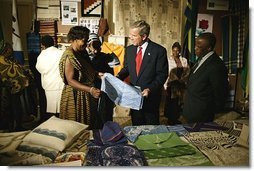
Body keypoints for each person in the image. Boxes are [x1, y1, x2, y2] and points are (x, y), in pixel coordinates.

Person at [117, 20, 168, 125]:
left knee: (151, 127)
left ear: (144, 36)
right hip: (134, 97)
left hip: (150, 97)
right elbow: (127, 68)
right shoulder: (129, 49)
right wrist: (117, 77)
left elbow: (162, 75)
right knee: (136, 125)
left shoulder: (159, 51)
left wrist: (150, 89)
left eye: (134, 35)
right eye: (130, 34)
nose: (130, 37)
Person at [59, 26, 102, 130]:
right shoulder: (70, 56)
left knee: (88, 125)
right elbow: (70, 80)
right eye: (84, 41)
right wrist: (90, 90)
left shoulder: (81, 53)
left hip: (85, 94)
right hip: (75, 96)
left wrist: (97, 74)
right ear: (74, 39)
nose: (86, 44)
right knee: (76, 127)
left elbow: (86, 70)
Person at [181, 32, 229, 123]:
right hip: (190, 111)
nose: (195, 49)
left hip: (202, 115)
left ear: (209, 48)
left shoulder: (216, 65)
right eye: (195, 45)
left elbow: (220, 93)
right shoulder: (201, 58)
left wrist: (209, 111)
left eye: (199, 47)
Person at [86, 33, 120, 128]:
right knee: (92, 114)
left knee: (105, 113)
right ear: (88, 45)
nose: (95, 48)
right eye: (93, 45)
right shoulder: (86, 58)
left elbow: (116, 62)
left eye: (97, 44)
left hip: (105, 90)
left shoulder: (106, 57)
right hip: (91, 89)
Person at [0, 42, 29, 131]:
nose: (11, 50)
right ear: (5, 50)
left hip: (15, 89)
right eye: (9, 48)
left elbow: (18, 69)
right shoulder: (1, 61)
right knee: (9, 108)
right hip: (6, 90)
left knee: (16, 107)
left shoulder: (10, 59)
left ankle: (18, 125)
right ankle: (10, 126)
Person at [36, 35, 64, 122]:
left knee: (51, 109)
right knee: (62, 109)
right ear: (53, 43)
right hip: (61, 84)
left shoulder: (42, 54)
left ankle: (53, 126)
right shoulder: (61, 52)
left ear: (43, 45)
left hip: (50, 85)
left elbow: (40, 68)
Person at [163, 42, 189, 125]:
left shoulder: (184, 60)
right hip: (171, 84)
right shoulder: (168, 60)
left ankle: (176, 118)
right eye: (174, 51)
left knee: (178, 102)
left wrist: (183, 80)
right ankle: (170, 119)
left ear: (180, 51)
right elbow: (166, 73)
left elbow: (187, 71)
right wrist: (165, 85)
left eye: (177, 51)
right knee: (171, 102)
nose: (175, 53)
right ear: (172, 50)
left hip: (181, 84)